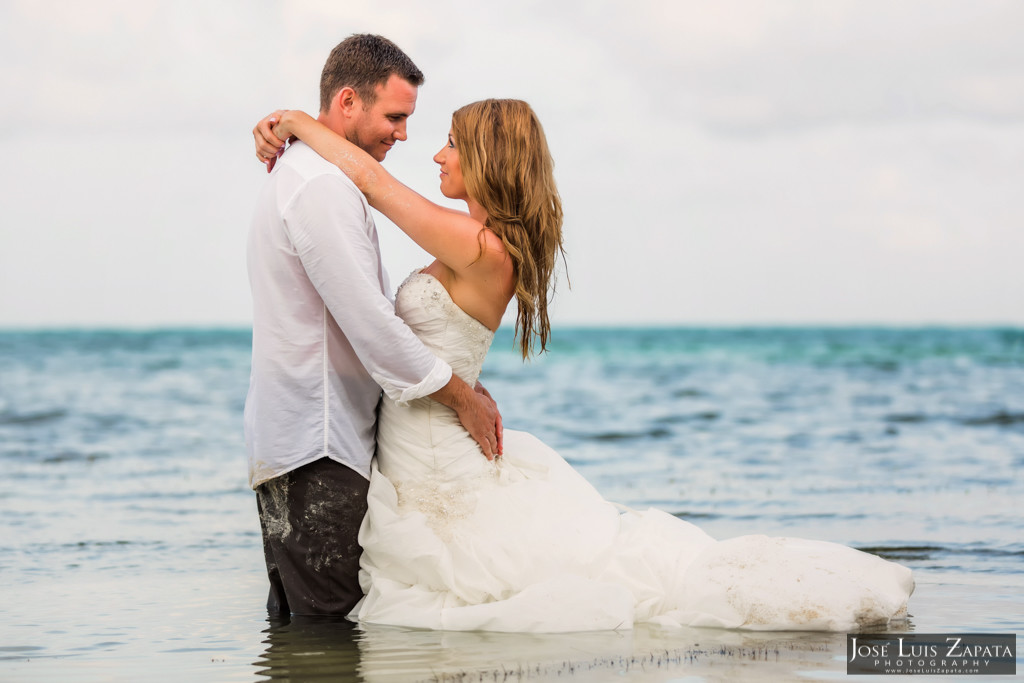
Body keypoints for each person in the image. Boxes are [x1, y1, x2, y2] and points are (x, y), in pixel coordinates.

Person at [252, 100, 914, 632]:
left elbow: (371, 183)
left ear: (486, 156)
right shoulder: (480, 241)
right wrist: (464, 382)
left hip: (429, 450)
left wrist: (299, 123)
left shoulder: (478, 244)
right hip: (418, 440)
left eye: (452, 141)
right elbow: (443, 333)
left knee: (487, 579)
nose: (437, 152)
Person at [244, 34, 502, 619]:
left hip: (305, 441)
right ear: (347, 103)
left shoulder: (310, 176)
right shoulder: (321, 189)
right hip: (320, 444)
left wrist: (292, 121)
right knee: (325, 631)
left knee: (301, 631)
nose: (404, 135)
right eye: (395, 116)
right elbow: (371, 325)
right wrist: (460, 395)